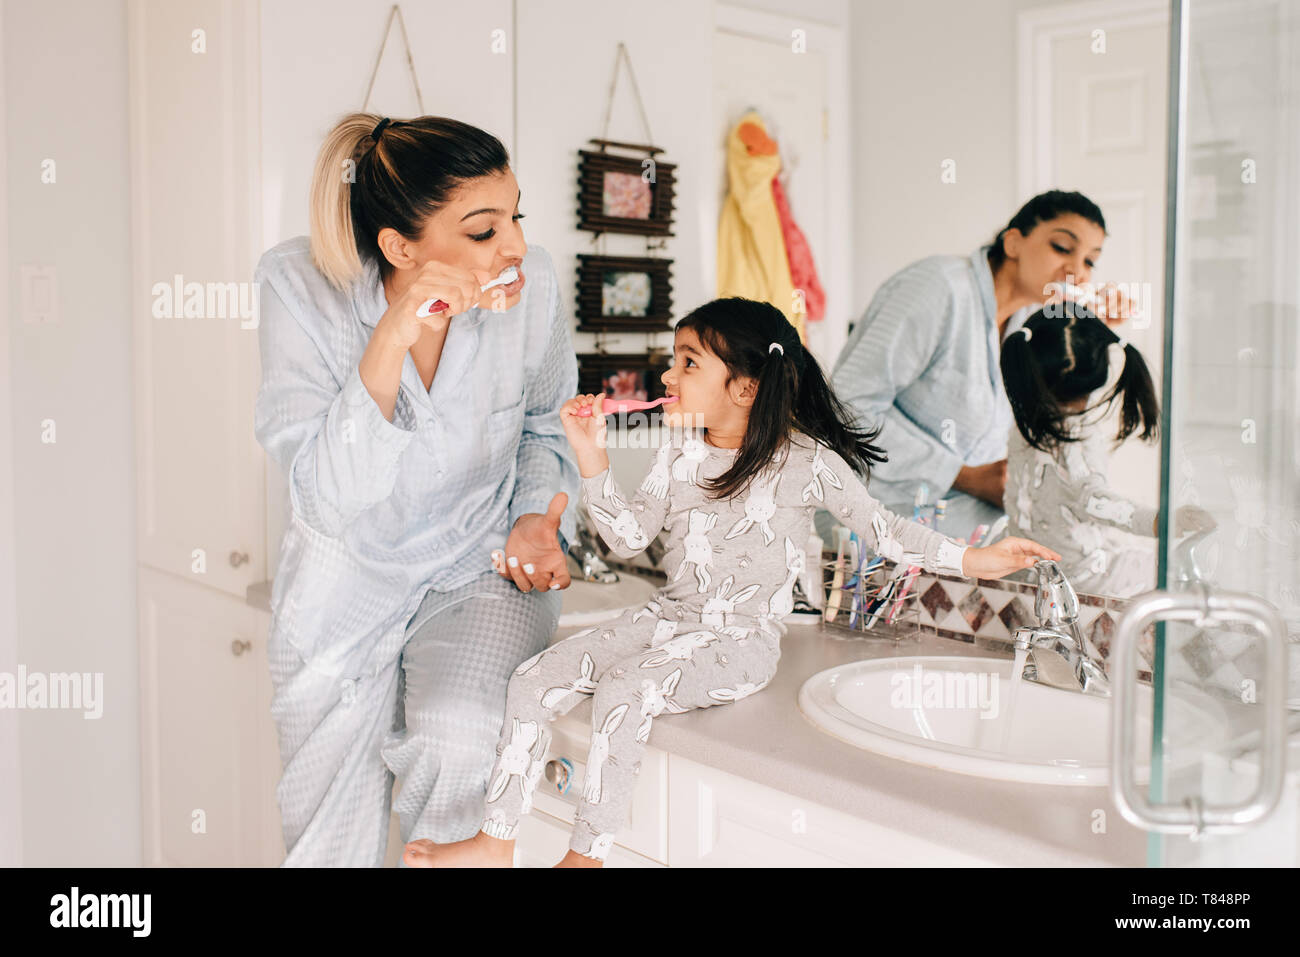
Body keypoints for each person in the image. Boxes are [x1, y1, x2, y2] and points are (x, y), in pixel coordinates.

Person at [402, 297, 1061, 867]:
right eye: (673, 359)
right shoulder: (678, 449)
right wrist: (590, 454)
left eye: (689, 361)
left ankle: (585, 853)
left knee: (629, 690)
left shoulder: (807, 463)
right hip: (667, 615)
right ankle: (496, 839)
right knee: (532, 679)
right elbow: (628, 537)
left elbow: (886, 531)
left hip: (741, 639)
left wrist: (977, 561)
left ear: (745, 387)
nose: (669, 373)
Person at [252, 112, 580, 866]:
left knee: (459, 735)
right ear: (401, 247)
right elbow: (326, 499)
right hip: (345, 585)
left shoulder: (534, 291)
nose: (517, 247)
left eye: (516, 216)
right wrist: (392, 336)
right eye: (482, 230)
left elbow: (544, 423)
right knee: (326, 844)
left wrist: (536, 517)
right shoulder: (298, 287)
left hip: (477, 567)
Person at [829, 190, 1134, 541]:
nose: (1077, 271)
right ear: (1014, 243)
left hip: (961, 540)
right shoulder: (939, 289)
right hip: (868, 538)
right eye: (1063, 248)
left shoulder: (1031, 324)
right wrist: (961, 475)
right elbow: (843, 408)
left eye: (1090, 261)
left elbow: (1059, 411)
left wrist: (1096, 330)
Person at [1000, 304, 1214, 596]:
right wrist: (1160, 522)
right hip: (1074, 580)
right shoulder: (1076, 441)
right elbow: (1094, 501)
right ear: (1100, 375)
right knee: (1168, 570)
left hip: (1022, 567)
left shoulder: (1024, 426)